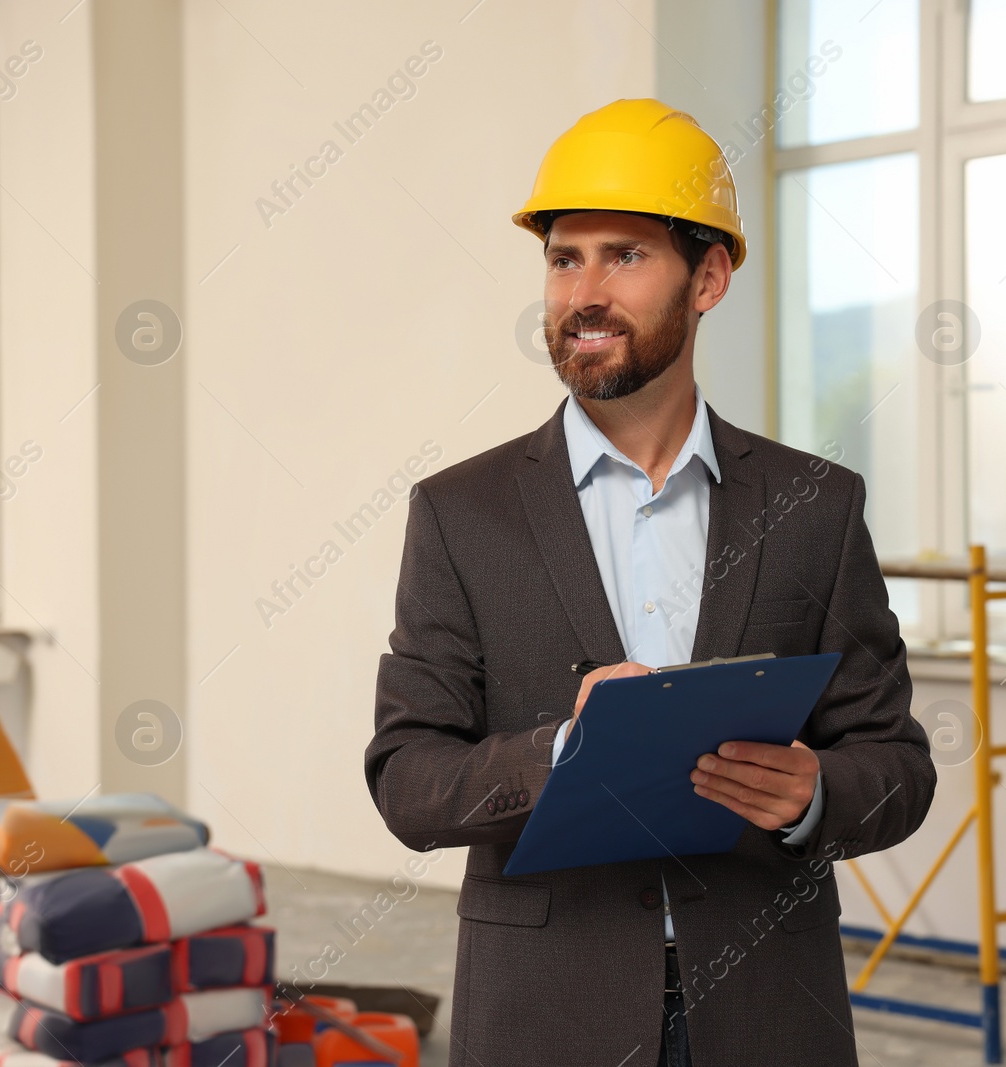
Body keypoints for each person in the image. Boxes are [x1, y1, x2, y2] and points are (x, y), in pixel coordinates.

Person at [363, 99, 936, 1067]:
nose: (583, 291)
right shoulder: (463, 514)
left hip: (767, 1009)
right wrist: (555, 754)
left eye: (622, 255)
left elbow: (898, 765)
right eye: (562, 257)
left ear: (707, 276)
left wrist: (812, 792)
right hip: (547, 1015)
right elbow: (406, 776)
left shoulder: (813, 506)